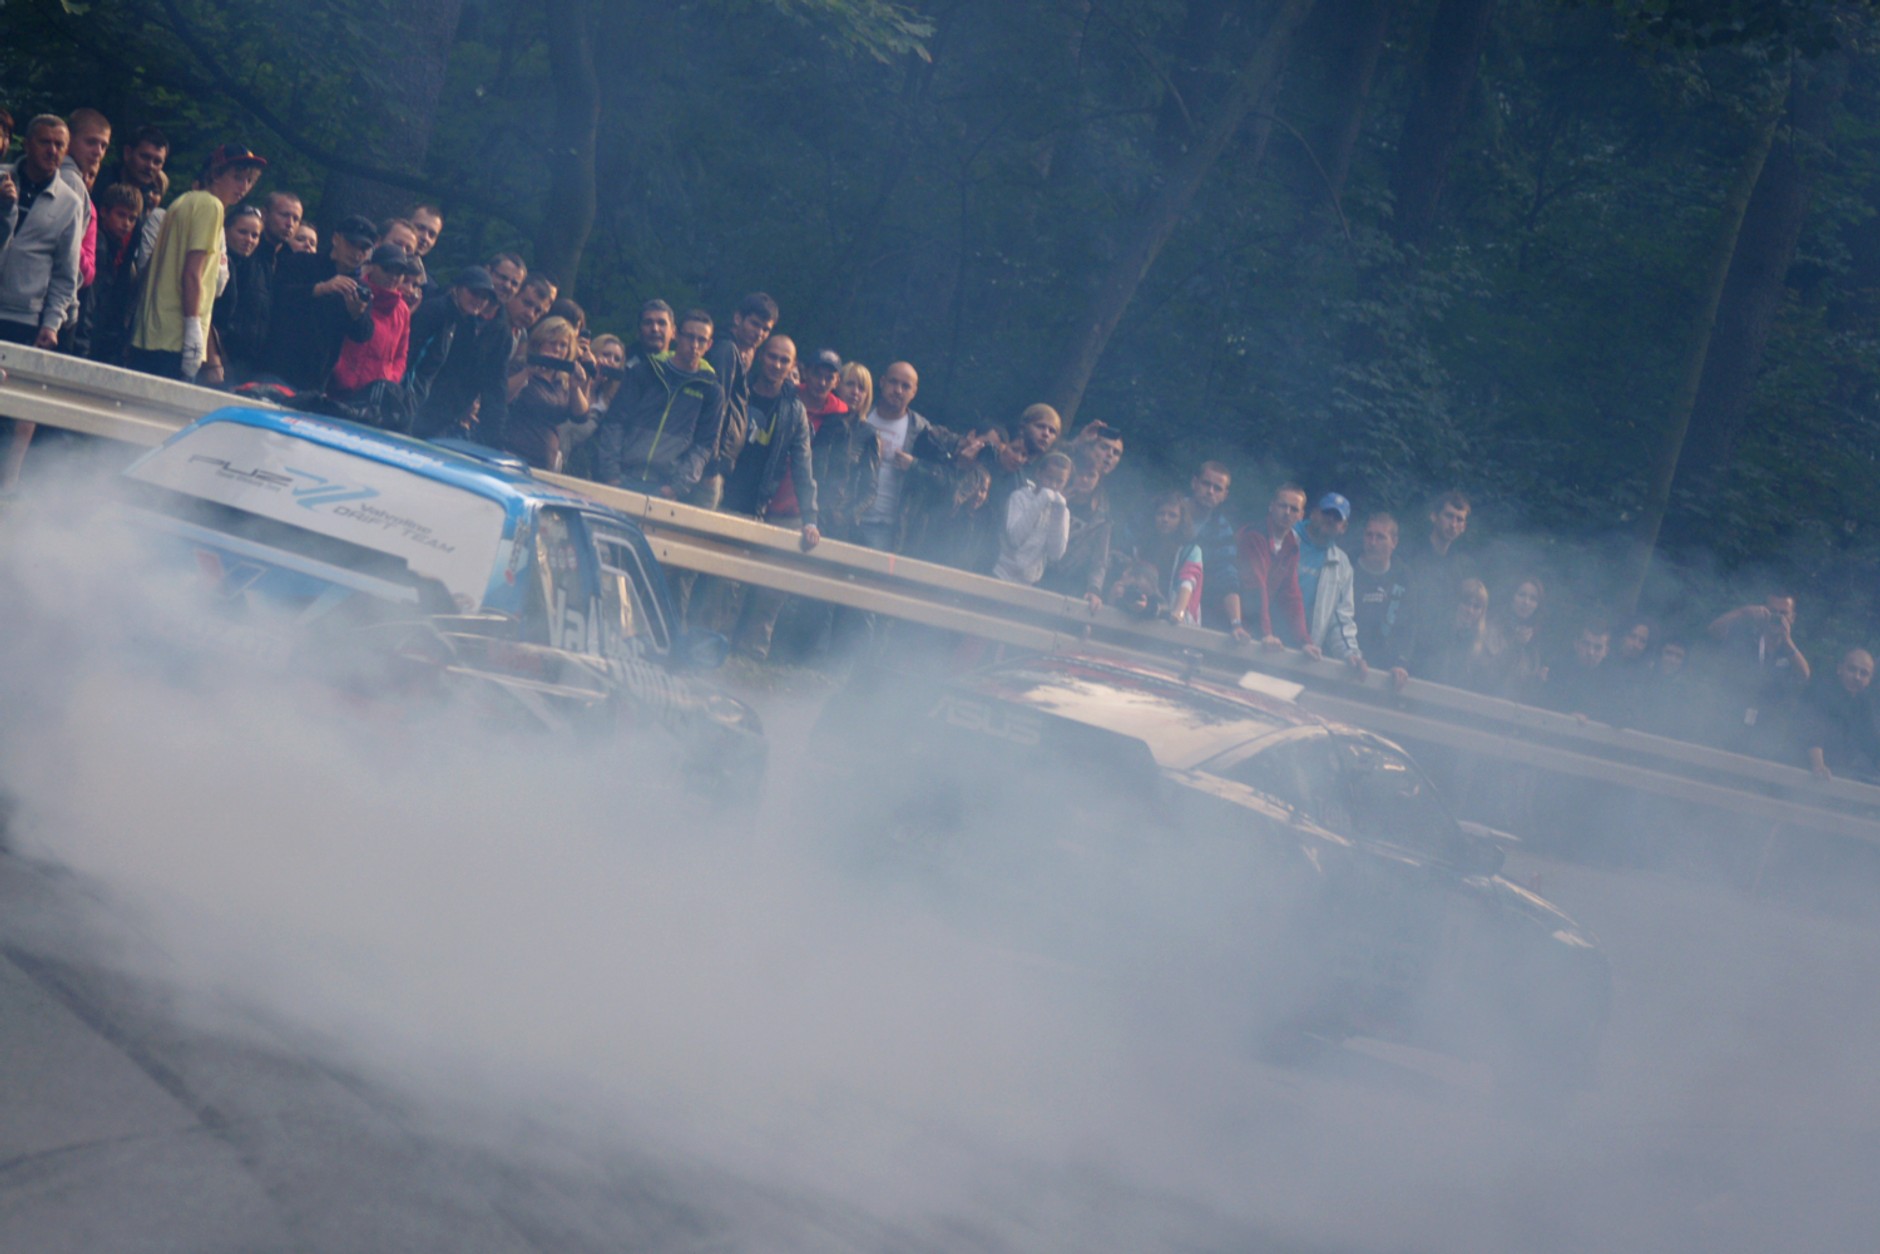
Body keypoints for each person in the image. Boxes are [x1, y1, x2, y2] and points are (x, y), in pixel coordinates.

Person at [129, 142, 265, 381]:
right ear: (215, 174)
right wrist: (193, 331)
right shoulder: (211, 207)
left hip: (151, 332)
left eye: (249, 180)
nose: (243, 187)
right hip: (175, 337)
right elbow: (192, 272)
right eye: (237, 177)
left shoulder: (183, 201)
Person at [593, 308, 724, 497]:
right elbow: (615, 422)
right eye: (689, 336)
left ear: (709, 344)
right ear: (677, 335)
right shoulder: (644, 371)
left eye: (701, 340)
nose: (694, 345)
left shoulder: (711, 390)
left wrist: (678, 487)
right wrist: (611, 475)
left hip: (666, 486)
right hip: (623, 477)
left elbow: (704, 446)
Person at [261, 213, 375, 391]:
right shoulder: (302, 262)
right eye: (352, 244)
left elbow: (363, 335)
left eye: (364, 248)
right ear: (336, 239)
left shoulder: (359, 287)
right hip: (277, 365)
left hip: (316, 379)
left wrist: (357, 314)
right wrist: (319, 289)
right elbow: (278, 297)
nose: (357, 253)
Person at [854, 361, 956, 551]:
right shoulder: (861, 416)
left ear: (914, 392)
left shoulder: (923, 431)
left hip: (887, 528)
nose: (898, 390)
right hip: (850, 519)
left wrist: (915, 465)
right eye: (893, 382)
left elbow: (947, 479)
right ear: (882, 382)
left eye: (905, 386)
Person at [327, 243, 423, 429]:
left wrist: (388, 381)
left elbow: (401, 355)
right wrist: (339, 372)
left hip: (373, 403)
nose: (393, 277)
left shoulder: (402, 309)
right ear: (372, 266)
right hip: (337, 392)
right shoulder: (353, 291)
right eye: (388, 269)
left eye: (400, 272)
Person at [697, 292, 778, 511]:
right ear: (737, 318)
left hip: (719, 462)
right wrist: (711, 465)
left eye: (766, 329)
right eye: (754, 324)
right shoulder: (726, 350)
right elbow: (717, 409)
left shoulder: (746, 355)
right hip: (707, 463)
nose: (759, 333)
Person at [406, 265, 503, 443]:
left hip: (431, 410)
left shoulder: (464, 322)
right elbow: (411, 356)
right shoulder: (436, 311)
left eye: (485, 297)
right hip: (411, 402)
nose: (479, 300)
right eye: (474, 292)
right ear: (457, 288)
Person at [1706, 593, 1811, 754]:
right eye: (1772, 611)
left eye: (1783, 613)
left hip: (1768, 730)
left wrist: (1787, 640)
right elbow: (1713, 631)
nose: (1777, 617)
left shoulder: (1792, 650)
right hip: (1729, 718)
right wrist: (1743, 612)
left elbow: (1804, 675)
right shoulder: (1746, 636)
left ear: (1793, 617)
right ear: (1763, 611)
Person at [504, 315, 591, 469]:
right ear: (540, 343)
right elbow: (503, 397)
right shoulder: (520, 366)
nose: (557, 349)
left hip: (546, 460)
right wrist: (528, 373)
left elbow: (581, 416)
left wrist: (576, 387)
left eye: (563, 345)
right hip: (512, 452)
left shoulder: (562, 379)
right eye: (552, 343)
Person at [1229, 484, 1309, 650]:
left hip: (1249, 628)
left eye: (1294, 509)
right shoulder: (1254, 536)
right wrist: (1266, 634)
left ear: (1301, 516)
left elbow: (1291, 596)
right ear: (1271, 506)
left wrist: (1305, 642)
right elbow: (1255, 586)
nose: (1287, 512)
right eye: (1282, 505)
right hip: (1227, 621)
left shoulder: (1291, 544)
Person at [1042, 444, 1113, 609]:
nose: (1085, 480)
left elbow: (1099, 561)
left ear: (1098, 479)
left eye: (1091, 475)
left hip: (1071, 584)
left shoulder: (1103, 518)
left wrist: (1094, 589)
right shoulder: (1052, 497)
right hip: (1039, 572)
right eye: (1081, 474)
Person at [1294, 492, 1359, 670]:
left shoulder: (1342, 564)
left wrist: (1350, 654)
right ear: (1314, 513)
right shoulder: (1288, 538)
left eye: (1337, 518)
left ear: (1343, 527)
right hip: (1267, 640)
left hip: (1305, 655)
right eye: (1326, 513)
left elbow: (1340, 619)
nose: (1330, 519)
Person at [1411, 578, 1508, 695]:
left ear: (1483, 611)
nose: (1470, 610)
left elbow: (1485, 685)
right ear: (1457, 602)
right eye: (1467, 603)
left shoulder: (1484, 646)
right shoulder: (1435, 632)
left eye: (1476, 607)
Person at [207, 204, 270, 383]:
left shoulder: (260, 268)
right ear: (226, 230)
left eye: (255, 235)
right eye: (242, 232)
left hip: (246, 363)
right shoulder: (217, 262)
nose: (249, 239)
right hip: (216, 357)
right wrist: (213, 358)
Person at [1353, 512, 1416, 685]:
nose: (1373, 543)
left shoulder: (1403, 575)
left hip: (1387, 672)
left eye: (1380, 537)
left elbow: (1409, 625)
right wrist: (1351, 654)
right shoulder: (1348, 568)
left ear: (1394, 542)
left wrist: (1401, 663)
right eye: (1369, 535)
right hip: (1349, 664)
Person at [85, 181, 144, 366]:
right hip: (89, 340)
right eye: (121, 215)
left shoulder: (116, 248)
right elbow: (92, 302)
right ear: (104, 212)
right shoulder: (99, 246)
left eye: (132, 219)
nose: (126, 224)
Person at [993, 450, 1072, 586]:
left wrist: (1058, 516)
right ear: (1038, 474)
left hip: (1029, 583)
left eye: (1059, 481)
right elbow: (1014, 539)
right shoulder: (1019, 498)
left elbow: (1055, 554)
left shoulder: (1063, 511)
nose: (1053, 485)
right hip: (1001, 574)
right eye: (1049, 478)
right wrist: (1040, 501)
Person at [1799, 649, 1880, 781]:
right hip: (1807, 771)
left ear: (1870, 679)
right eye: (1852, 669)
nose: (1857, 677)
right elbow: (1813, 731)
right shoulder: (1821, 691)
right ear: (1840, 669)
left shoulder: (1864, 704)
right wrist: (1818, 764)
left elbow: (1873, 744)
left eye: (1864, 673)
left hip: (1842, 773)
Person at [1134, 492, 1204, 624]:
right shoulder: (1140, 548)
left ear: (1181, 520)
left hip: (1178, 624)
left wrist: (1178, 612)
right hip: (1143, 618)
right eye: (1161, 513)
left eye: (1172, 515)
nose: (1165, 519)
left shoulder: (1191, 551)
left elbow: (1187, 583)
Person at [1494, 575, 1548, 700]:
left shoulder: (1536, 641)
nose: (1526, 602)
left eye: (1533, 598)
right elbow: (1490, 674)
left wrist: (1538, 682)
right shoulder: (1495, 628)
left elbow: (1526, 694)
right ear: (1512, 597)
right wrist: (1516, 645)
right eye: (1522, 595)